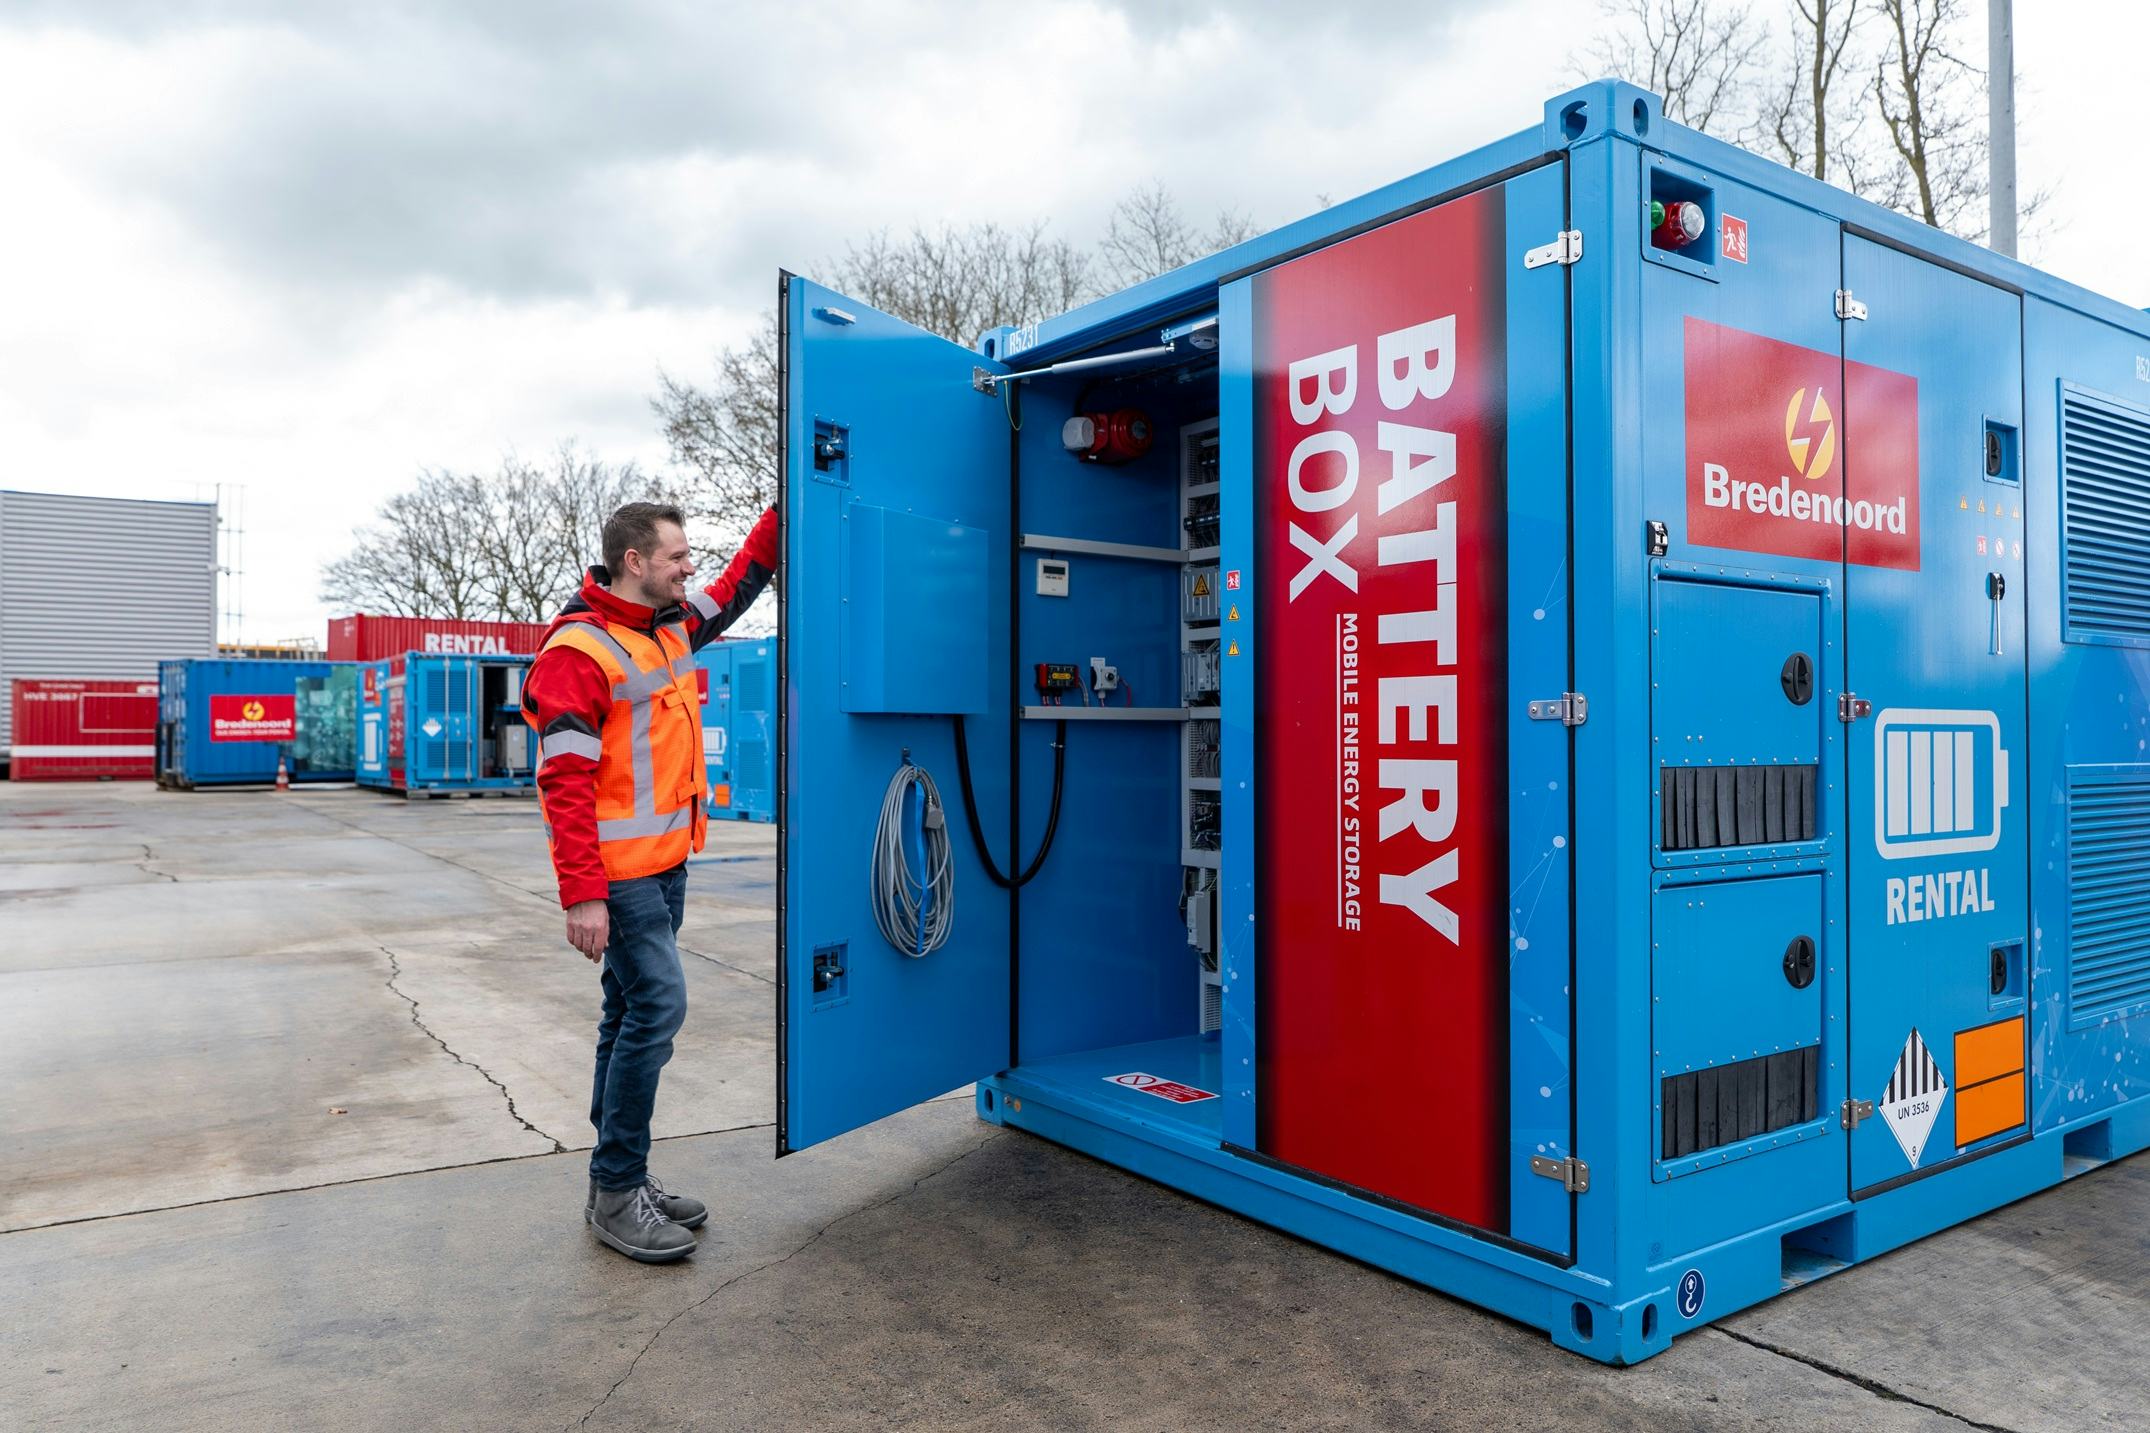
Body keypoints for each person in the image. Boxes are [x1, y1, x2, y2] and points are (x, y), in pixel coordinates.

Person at [522, 500, 776, 1262]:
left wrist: (785, 506)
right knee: (659, 1006)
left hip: (667, 865)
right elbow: (564, 782)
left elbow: (739, 584)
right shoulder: (578, 652)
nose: (689, 567)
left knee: (627, 1010)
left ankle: (619, 1175)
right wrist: (582, 893)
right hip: (619, 875)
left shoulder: (669, 626)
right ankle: (616, 1189)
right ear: (634, 561)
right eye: (676, 556)